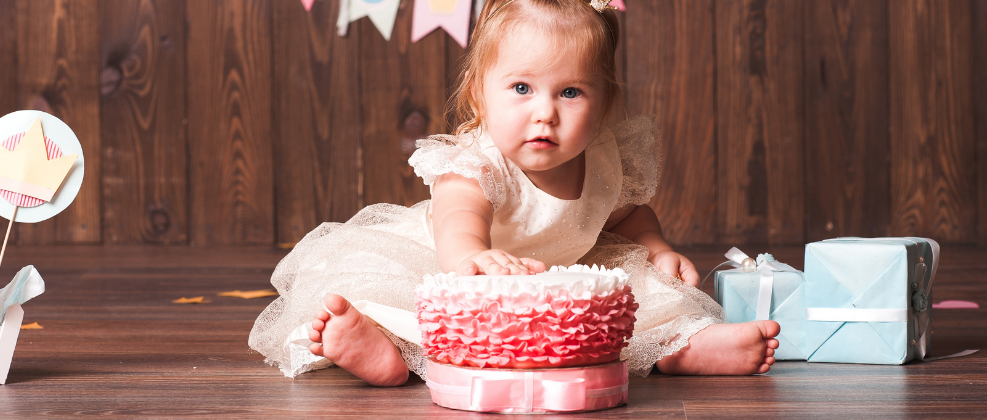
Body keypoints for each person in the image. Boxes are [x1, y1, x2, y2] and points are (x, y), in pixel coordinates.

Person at [249, 0, 779, 387]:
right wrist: (474, 258)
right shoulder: (476, 163)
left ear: (602, 102)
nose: (544, 111)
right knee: (409, 299)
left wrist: (658, 247)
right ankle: (379, 346)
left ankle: (684, 346)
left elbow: (629, 216)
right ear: (481, 91)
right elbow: (458, 221)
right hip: (458, 270)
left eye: (570, 92)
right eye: (522, 88)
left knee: (646, 292)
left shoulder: (602, 161)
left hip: (560, 277)